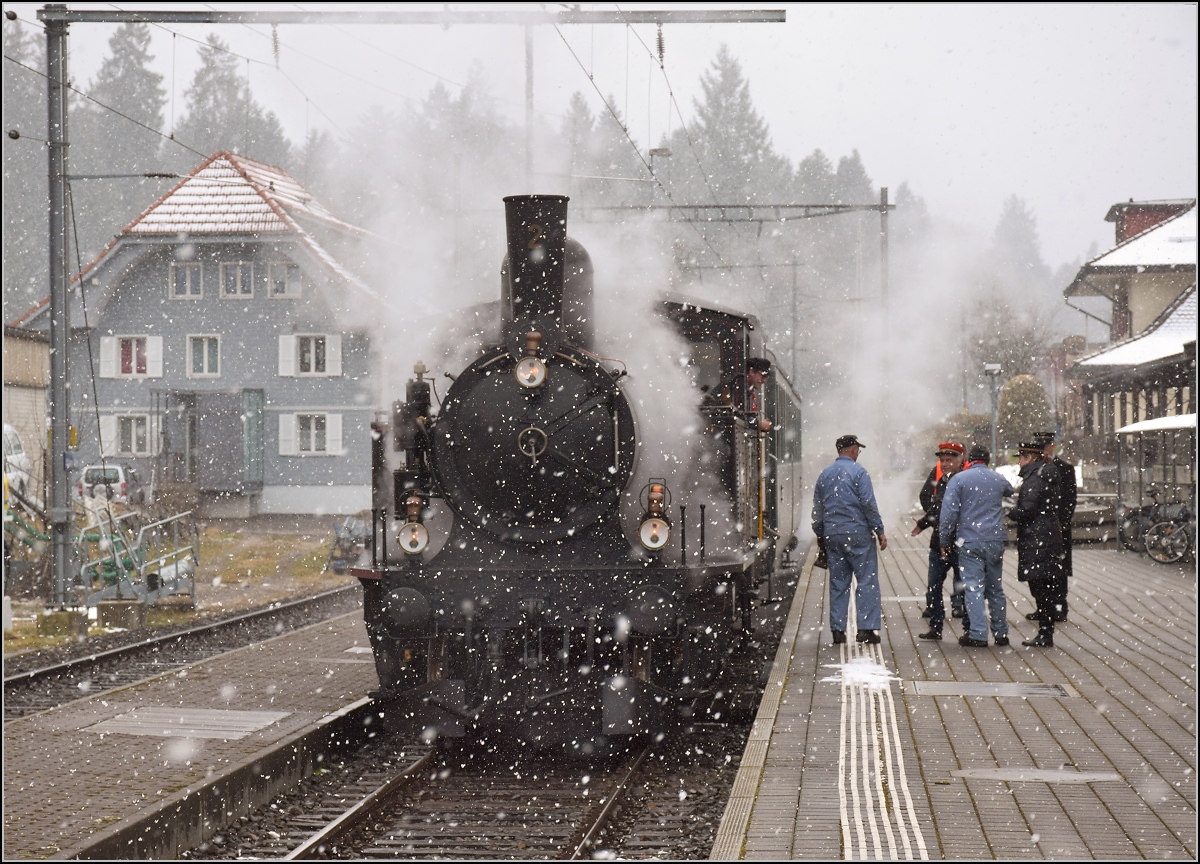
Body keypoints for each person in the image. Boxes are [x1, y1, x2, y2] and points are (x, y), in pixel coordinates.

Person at [812, 434, 888, 644]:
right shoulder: (859, 472)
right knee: (866, 581)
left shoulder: (824, 475)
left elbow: (818, 509)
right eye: (858, 450)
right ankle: (866, 630)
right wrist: (879, 530)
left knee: (838, 582)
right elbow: (868, 504)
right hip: (858, 534)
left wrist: (820, 533)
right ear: (853, 450)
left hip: (833, 535)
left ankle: (838, 631)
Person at [939, 445, 1014, 648]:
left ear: (969, 460)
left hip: (970, 540)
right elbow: (1010, 490)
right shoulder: (997, 478)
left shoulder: (959, 479)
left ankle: (978, 634)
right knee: (995, 588)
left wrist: (944, 540)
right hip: (995, 540)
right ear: (987, 460)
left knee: (973, 588)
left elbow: (948, 514)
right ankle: (1001, 633)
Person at [1007, 440, 1064, 648]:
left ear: (1029, 458)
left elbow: (1028, 510)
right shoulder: (1047, 475)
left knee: (1040, 587)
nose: (1019, 463)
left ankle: (1045, 633)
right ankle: (1046, 631)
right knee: (1044, 586)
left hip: (1037, 538)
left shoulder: (1034, 479)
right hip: (1048, 534)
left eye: (1021, 458)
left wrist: (1010, 512)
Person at [911, 442, 966, 641]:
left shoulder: (963, 481)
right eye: (942, 461)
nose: (944, 464)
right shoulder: (942, 481)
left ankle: (969, 629)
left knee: (965, 588)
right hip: (939, 543)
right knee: (934, 587)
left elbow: (948, 510)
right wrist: (924, 524)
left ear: (960, 461)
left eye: (949, 460)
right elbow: (937, 509)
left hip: (959, 543)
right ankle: (935, 626)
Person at [1029, 431, 1076, 623]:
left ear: (1052, 446)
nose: (1042, 449)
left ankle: (1058, 607)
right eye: (1038, 446)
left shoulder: (1064, 468)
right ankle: (1043, 607)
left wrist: (1062, 524)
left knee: (1058, 569)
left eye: (1044, 445)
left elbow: (1069, 499)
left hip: (1057, 527)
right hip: (1039, 528)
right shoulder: (1034, 466)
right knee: (1038, 570)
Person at [745, 357, 773, 432]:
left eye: (766, 377)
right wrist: (759, 424)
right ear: (751, 372)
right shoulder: (742, 389)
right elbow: (742, 416)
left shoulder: (747, 389)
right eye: (763, 376)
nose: (765, 380)